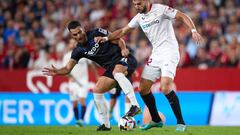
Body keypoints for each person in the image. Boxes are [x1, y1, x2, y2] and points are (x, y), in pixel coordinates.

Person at [95, 0, 203, 132]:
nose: (137, 6)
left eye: (139, 3)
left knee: (165, 87)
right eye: (134, 4)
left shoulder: (161, 9)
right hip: (156, 54)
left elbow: (182, 16)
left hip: (170, 52)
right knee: (143, 89)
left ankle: (181, 122)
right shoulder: (139, 17)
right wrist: (106, 38)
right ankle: (156, 120)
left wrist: (193, 30)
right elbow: (123, 31)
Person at [42, 21, 141, 131]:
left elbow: (118, 38)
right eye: (75, 34)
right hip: (111, 68)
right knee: (97, 91)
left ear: (83, 29)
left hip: (124, 59)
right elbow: (67, 69)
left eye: (79, 32)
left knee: (117, 73)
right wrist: (57, 72)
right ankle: (106, 124)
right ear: (71, 35)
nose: (78, 36)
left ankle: (135, 105)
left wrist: (123, 48)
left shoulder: (96, 32)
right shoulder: (78, 51)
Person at [62, 38, 98, 127]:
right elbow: (64, 70)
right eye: (71, 43)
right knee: (74, 103)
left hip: (83, 81)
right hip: (72, 82)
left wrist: (97, 76)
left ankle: (81, 120)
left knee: (82, 101)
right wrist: (70, 77)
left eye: (74, 43)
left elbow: (92, 65)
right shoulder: (66, 56)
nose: (73, 44)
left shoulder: (84, 54)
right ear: (69, 45)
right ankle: (77, 120)